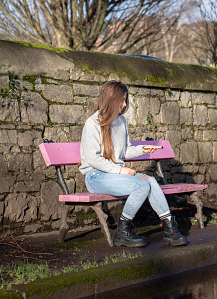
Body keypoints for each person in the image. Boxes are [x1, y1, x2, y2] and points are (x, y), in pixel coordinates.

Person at [79, 80, 187, 248]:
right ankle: (122, 232)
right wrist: (120, 170)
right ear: (110, 99)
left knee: (150, 181)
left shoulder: (121, 122)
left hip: (114, 174)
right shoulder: (92, 123)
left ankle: (170, 230)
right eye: (121, 100)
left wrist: (143, 149)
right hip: (96, 176)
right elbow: (93, 159)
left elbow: (125, 151)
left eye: (125, 100)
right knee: (141, 185)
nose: (124, 104)